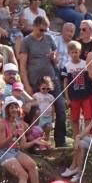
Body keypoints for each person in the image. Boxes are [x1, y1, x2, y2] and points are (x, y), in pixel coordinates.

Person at [18, 16, 67, 147]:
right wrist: (26, 85)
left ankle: (60, 141)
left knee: (61, 109)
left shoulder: (49, 38)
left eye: (46, 30)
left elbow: (56, 60)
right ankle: (33, 142)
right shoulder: (27, 41)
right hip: (34, 81)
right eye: (41, 29)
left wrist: (53, 57)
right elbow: (22, 65)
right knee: (34, 113)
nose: (44, 32)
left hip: (51, 79)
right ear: (34, 26)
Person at [0, 97, 41, 183]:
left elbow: (23, 145)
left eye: (16, 107)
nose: (14, 110)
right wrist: (12, 135)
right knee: (23, 174)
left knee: (32, 165)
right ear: (7, 110)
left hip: (15, 150)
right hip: (2, 153)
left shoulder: (20, 124)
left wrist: (34, 141)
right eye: (11, 107)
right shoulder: (1, 124)